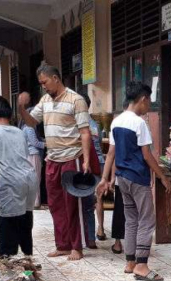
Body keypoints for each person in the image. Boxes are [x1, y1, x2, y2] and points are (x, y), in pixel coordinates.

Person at [17, 63, 98, 261]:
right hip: (52, 158)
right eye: (41, 83)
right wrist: (20, 107)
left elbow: (85, 132)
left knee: (73, 205)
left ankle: (77, 247)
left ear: (55, 78)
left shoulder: (76, 100)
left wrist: (86, 160)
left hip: (72, 157)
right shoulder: (45, 100)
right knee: (55, 204)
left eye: (44, 82)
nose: (43, 86)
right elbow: (31, 122)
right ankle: (62, 245)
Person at [97, 81, 171, 281]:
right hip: (138, 178)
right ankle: (141, 265)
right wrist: (163, 177)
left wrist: (105, 178)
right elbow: (147, 156)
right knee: (147, 221)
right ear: (142, 99)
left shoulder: (116, 121)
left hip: (122, 178)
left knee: (131, 220)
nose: (148, 106)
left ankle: (130, 262)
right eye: (148, 102)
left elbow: (111, 153)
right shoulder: (139, 123)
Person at [0, 96, 38, 256]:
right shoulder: (19, 132)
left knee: (8, 224)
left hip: (11, 182)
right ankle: (27, 259)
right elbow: (16, 162)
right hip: (30, 179)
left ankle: (9, 262)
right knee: (25, 220)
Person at [81, 94, 106, 248]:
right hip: (100, 162)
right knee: (98, 198)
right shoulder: (95, 124)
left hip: (87, 165)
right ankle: (100, 230)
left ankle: (89, 236)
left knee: (86, 200)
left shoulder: (81, 125)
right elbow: (100, 144)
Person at [22, 120, 45, 209]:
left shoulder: (24, 127)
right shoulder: (30, 128)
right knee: (36, 179)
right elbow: (35, 143)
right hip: (33, 154)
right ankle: (35, 203)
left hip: (28, 155)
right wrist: (46, 144)